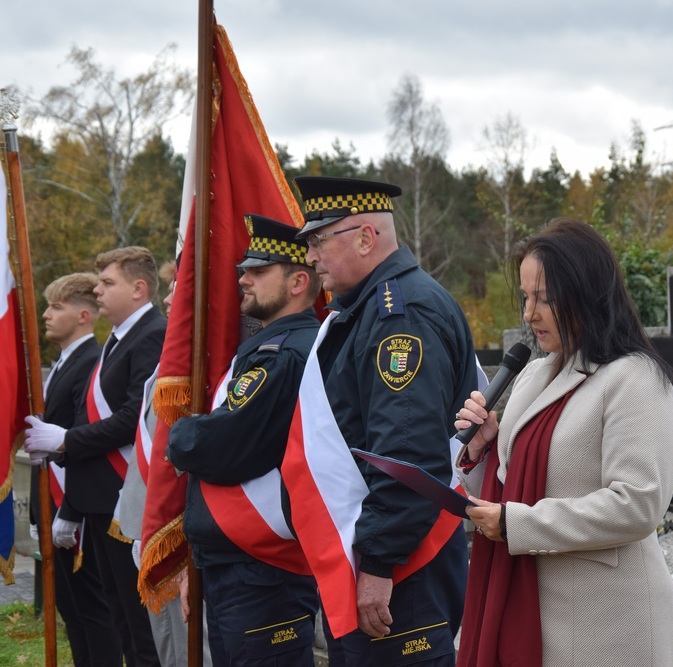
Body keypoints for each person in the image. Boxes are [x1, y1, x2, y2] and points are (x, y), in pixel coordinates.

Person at [454, 217, 673, 666]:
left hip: (609, 627)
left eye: (545, 298)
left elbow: (637, 504)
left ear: (585, 292)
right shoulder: (535, 374)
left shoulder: (635, 378)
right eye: (525, 297)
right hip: (530, 610)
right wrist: (481, 453)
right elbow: (508, 490)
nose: (528, 314)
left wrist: (517, 525)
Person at [287, 176, 479, 666]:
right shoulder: (371, 308)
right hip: (393, 552)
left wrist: (377, 561)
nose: (310, 257)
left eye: (317, 241)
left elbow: (406, 453)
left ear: (366, 238)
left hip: (403, 565)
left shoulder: (400, 315)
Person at [167, 214, 323, 666]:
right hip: (241, 559)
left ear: (297, 281)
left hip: (262, 566)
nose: (243, 278)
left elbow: (218, 445)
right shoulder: (271, 348)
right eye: (244, 268)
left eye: (259, 270)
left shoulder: (286, 354)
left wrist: (181, 433)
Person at [25, 246, 166, 666]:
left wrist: (66, 440)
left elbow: (131, 417)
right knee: (119, 615)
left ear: (139, 289)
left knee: (138, 628)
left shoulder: (151, 334)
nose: (98, 290)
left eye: (108, 283)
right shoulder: (119, 339)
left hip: (126, 499)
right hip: (101, 500)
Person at [27, 272, 121, 667]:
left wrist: (70, 511)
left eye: (56, 307)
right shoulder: (66, 361)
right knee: (71, 609)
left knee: (92, 610)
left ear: (85, 315)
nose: (46, 314)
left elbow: (81, 437)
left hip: (76, 506)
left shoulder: (90, 363)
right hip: (54, 500)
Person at [115, 260, 194, 666]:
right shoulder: (174, 356)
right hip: (150, 520)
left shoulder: (201, 359)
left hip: (178, 529)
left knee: (186, 651)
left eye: (178, 288)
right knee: (166, 648)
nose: (168, 298)